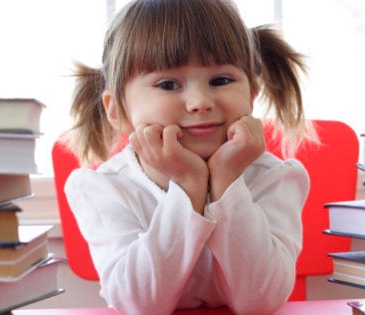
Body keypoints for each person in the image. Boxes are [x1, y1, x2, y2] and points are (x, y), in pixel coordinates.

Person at [65, 0, 317, 314]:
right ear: (117, 111)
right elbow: (141, 304)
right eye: (168, 84)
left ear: (252, 94)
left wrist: (226, 183)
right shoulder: (102, 187)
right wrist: (187, 186)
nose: (199, 102)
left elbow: (259, 300)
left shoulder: (277, 177)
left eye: (221, 80)